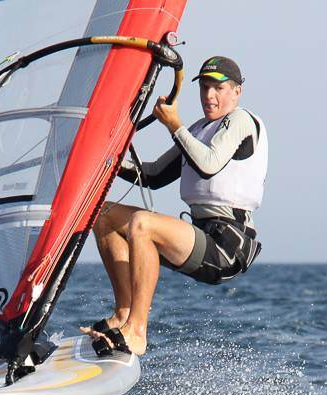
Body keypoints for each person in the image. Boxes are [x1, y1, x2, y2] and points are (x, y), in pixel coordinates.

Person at [82, 56, 268, 356]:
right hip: (201, 234)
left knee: (142, 224)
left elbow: (208, 164)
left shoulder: (241, 120)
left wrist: (173, 125)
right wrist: (107, 160)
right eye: (204, 87)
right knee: (104, 216)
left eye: (218, 88)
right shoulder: (198, 129)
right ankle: (123, 314)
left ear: (237, 91)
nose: (209, 95)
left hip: (227, 246)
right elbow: (153, 175)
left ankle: (137, 332)